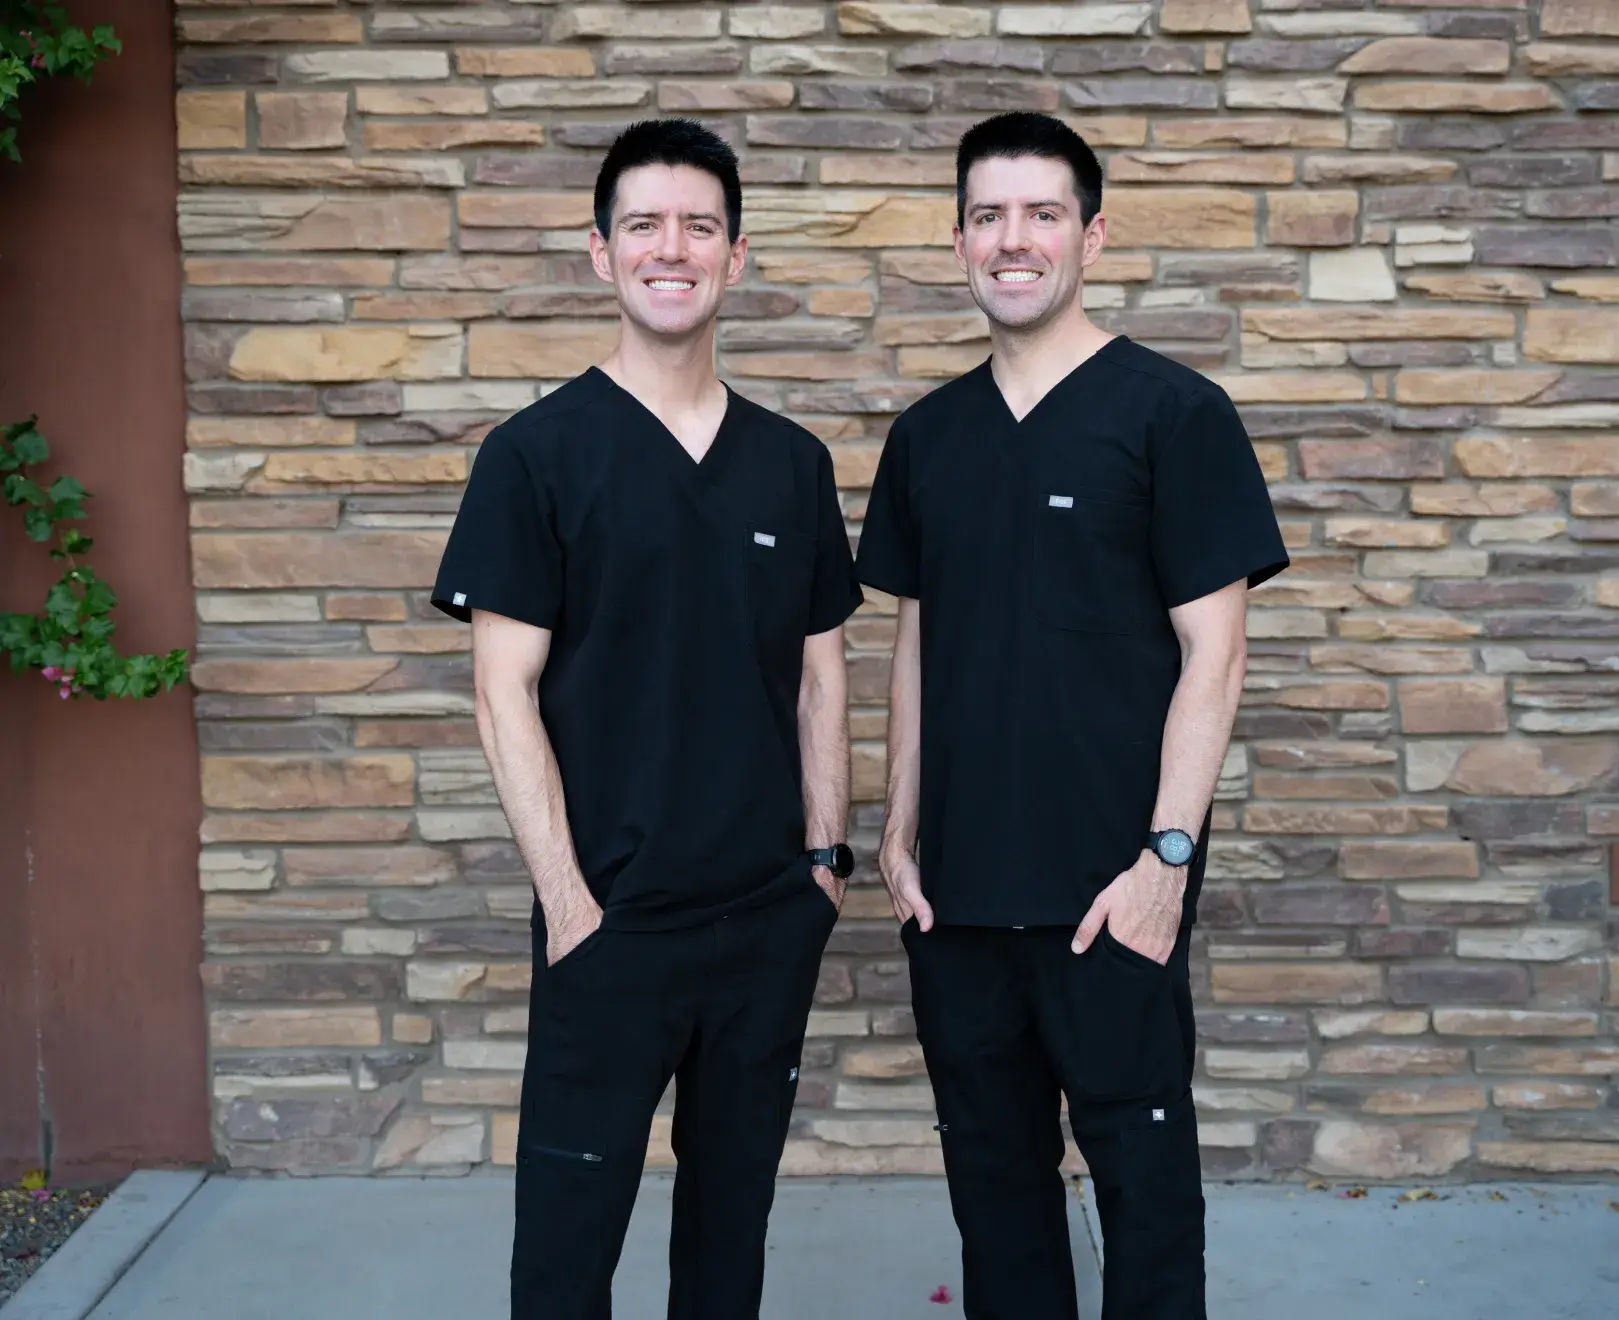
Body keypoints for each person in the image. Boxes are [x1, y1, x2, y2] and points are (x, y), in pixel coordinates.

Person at [854, 111, 1289, 1319]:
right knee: (994, 1199)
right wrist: (896, 830)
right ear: (957, 242)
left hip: (1113, 894)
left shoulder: (1173, 415)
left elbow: (1217, 652)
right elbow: (915, 635)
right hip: (959, 897)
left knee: (1145, 1203)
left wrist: (1165, 859)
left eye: (1041, 213)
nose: (1013, 238)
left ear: (1090, 237)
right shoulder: (926, 437)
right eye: (987, 215)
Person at [431, 118, 863, 1320]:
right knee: (565, 1255)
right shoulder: (536, 456)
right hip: (609, 927)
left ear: (735, 257)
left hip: (766, 920)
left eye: (698, 227)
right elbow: (499, 688)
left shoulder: (790, 462)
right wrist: (569, 902)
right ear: (599, 254)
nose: (670, 249)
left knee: (729, 1244)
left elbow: (819, 673)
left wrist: (823, 861)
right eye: (643, 226)